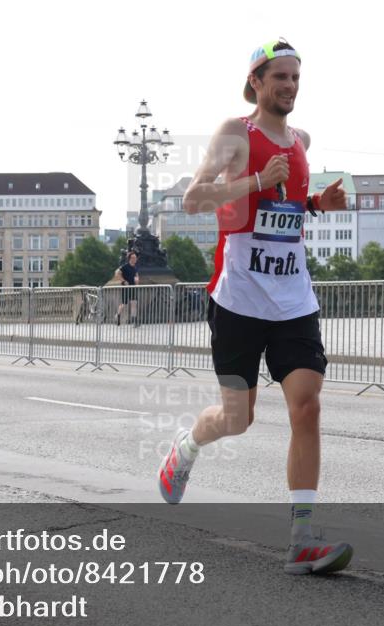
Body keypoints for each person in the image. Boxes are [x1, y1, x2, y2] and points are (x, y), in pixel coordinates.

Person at [155, 39, 351, 576]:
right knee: (237, 418)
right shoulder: (236, 133)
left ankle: (302, 539)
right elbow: (194, 199)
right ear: (256, 82)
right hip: (239, 298)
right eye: (280, 77)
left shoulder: (302, 141)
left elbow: (284, 206)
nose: (289, 86)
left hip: (293, 299)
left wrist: (318, 203)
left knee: (307, 406)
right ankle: (187, 447)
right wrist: (258, 179)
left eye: (295, 77)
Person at [115, 251, 140, 327]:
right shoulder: (125, 266)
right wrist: (123, 281)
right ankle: (118, 315)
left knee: (134, 303)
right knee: (124, 304)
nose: (135, 259)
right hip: (126, 288)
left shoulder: (135, 267)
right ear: (129, 259)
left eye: (135, 258)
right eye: (133, 258)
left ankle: (134, 321)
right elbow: (117, 273)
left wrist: (137, 281)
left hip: (133, 288)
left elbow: (136, 275)